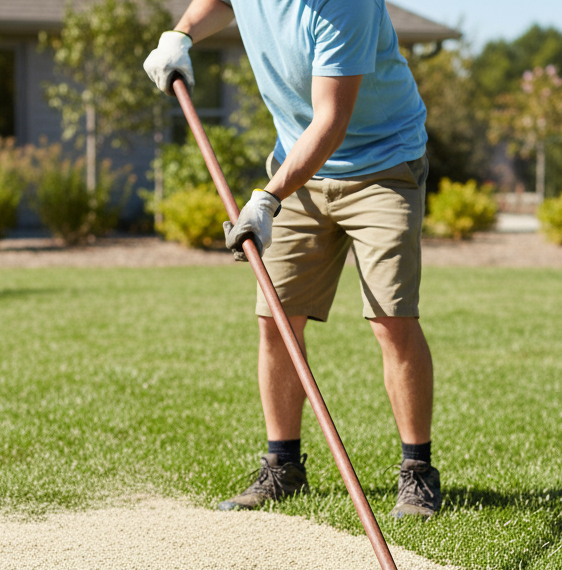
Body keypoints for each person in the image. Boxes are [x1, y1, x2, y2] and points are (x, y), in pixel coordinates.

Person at [144, 0, 443, 519]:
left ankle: (417, 475)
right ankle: (283, 468)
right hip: (299, 163)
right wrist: (183, 32)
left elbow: (331, 119)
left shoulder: (343, 6)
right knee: (277, 318)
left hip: (382, 163)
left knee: (391, 318)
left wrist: (266, 199)